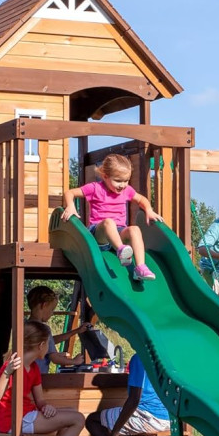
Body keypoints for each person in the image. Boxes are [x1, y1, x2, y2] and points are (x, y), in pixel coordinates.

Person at [0, 320, 86, 436]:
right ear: (41, 345)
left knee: (72, 412)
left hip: (27, 415)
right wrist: (7, 372)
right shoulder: (12, 366)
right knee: (78, 419)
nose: (49, 349)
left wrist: (46, 407)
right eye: (48, 344)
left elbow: (40, 400)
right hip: (13, 421)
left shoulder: (34, 368)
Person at [61, 153, 162, 282]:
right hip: (98, 235)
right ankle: (121, 251)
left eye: (126, 181)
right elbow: (69, 193)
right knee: (109, 222)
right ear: (105, 176)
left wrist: (149, 210)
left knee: (134, 229)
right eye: (118, 181)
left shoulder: (127, 190)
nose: (122, 185)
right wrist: (70, 206)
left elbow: (141, 199)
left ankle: (140, 268)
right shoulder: (95, 188)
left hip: (118, 233)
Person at [85, 353, 168, 436]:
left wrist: (115, 432)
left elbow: (134, 400)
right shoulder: (164, 356)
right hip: (170, 417)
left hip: (149, 416)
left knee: (93, 421)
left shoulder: (140, 358)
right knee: (114, 421)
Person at [26, 285, 90, 372]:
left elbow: (50, 341)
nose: (52, 313)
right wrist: (74, 361)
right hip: (40, 376)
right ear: (44, 305)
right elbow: (54, 358)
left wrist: (76, 331)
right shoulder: (44, 329)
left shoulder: (25, 326)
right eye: (52, 309)